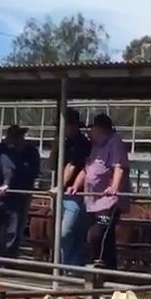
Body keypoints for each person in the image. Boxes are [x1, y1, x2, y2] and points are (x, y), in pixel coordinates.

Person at [76, 113, 130, 270]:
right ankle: (108, 271)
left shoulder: (115, 143)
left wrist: (114, 187)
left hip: (108, 201)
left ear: (100, 128)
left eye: (92, 128)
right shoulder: (96, 146)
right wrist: (76, 185)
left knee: (99, 234)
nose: (90, 132)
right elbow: (88, 169)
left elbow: (119, 166)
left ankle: (100, 267)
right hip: (94, 201)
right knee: (105, 238)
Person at [57, 108, 93, 267]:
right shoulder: (64, 143)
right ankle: (70, 268)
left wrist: (59, 186)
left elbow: (72, 166)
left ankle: (70, 269)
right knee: (71, 233)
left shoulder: (81, 143)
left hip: (75, 194)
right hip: (68, 193)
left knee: (66, 232)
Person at [2, 124, 41, 257]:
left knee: (16, 224)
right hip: (6, 193)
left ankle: (10, 255)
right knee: (5, 225)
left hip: (22, 193)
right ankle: (4, 255)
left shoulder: (30, 151)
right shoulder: (7, 151)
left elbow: (34, 172)